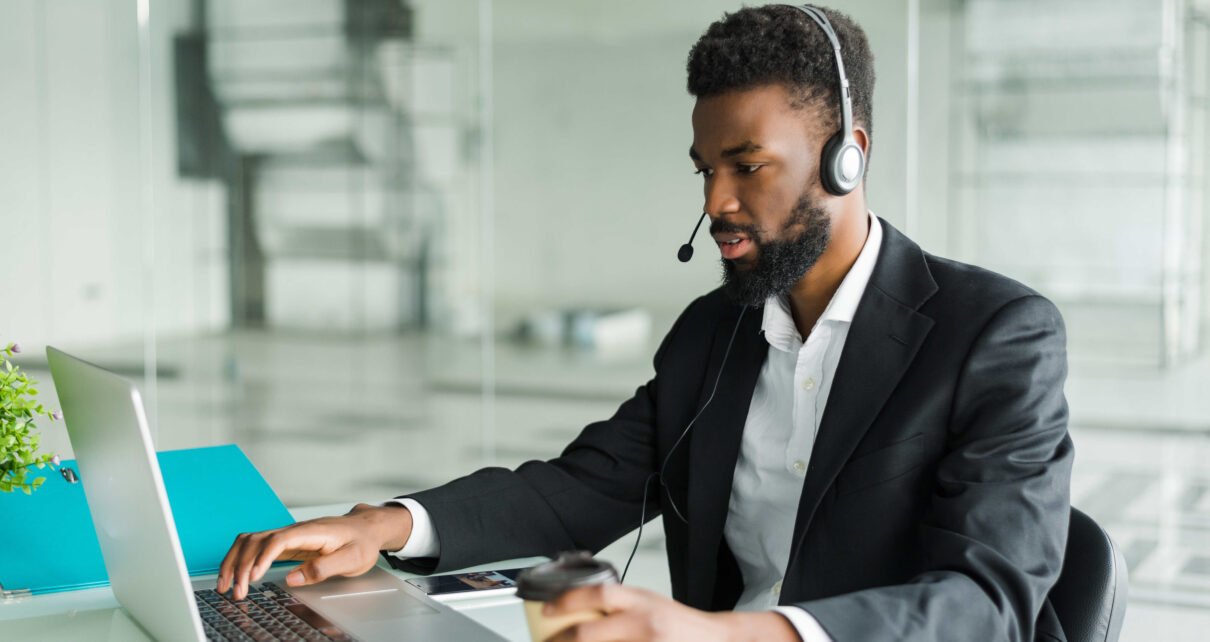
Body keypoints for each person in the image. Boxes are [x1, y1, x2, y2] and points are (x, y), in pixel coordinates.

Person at [217, 5, 1073, 641]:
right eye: (705, 169)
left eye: (747, 166)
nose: (715, 204)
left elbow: (984, 603)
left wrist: (719, 633)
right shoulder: (715, 330)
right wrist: (385, 526)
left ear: (848, 154)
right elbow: (583, 488)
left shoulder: (993, 335)